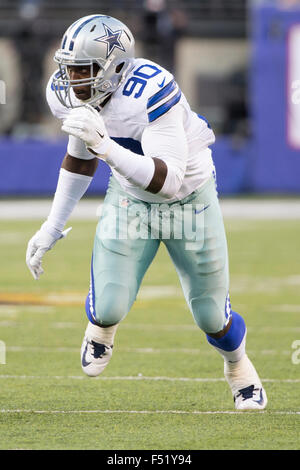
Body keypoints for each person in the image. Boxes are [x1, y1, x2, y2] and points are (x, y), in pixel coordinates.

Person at [26, 14, 267, 410]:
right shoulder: (64, 91)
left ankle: (239, 367)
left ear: (116, 67)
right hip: (129, 200)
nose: (73, 80)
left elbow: (168, 180)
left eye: (84, 70)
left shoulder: (151, 91)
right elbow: (81, 155)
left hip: (189, 199)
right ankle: (103, 327)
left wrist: (106, 146)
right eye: (69, 69)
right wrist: (52, 226)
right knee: (107, 307)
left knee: (210, 316)